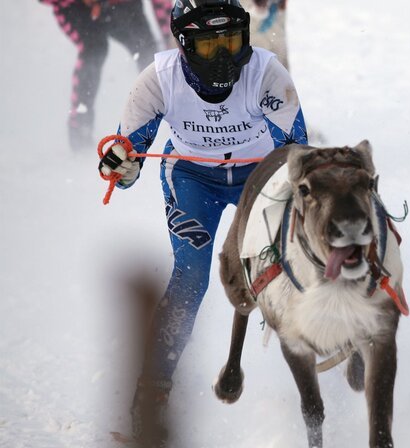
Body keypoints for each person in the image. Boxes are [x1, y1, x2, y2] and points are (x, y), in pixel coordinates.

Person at [97, 0, 307, 444]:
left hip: (259, 174)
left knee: (290, 260)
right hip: (193, 176)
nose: (223, 58)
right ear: (182, 43)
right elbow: (123, 158)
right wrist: (120, 167)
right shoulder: (157, 80)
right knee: (191, 277)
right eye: (208, 46)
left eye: (231, 41)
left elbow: (297, 159)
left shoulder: (268, 72)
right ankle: (152, 391)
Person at [42, 0, 160, 151]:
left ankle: (167, 122)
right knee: (95, 49)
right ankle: (80, 132)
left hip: (122, 5)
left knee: (148, 51)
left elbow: (162, 5)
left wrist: (169, 35)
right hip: (75, 6)